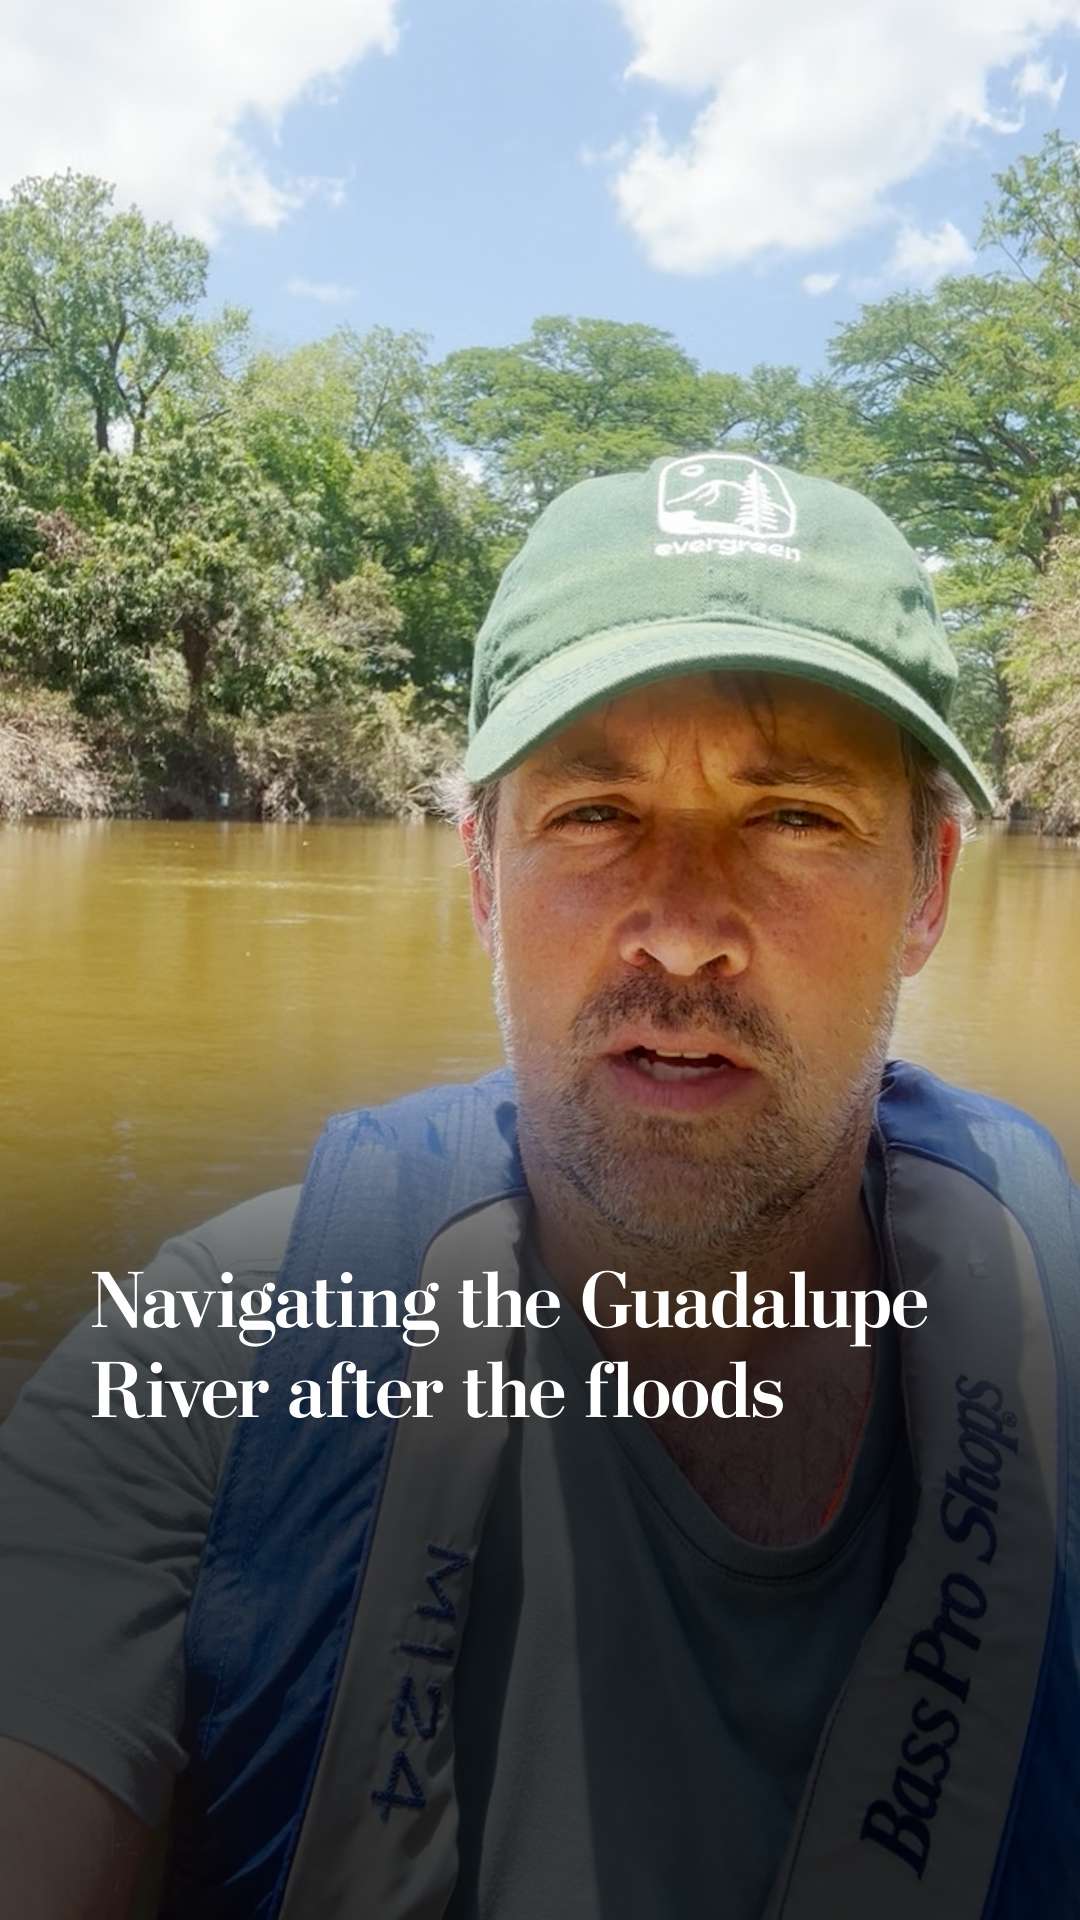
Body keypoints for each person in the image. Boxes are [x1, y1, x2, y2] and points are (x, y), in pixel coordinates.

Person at [1, 451, 1077, 1920]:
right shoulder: (204, 1371)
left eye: (794, 818)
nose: (687, 933)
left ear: (932, 889)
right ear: (484, 878)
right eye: (593, 814)